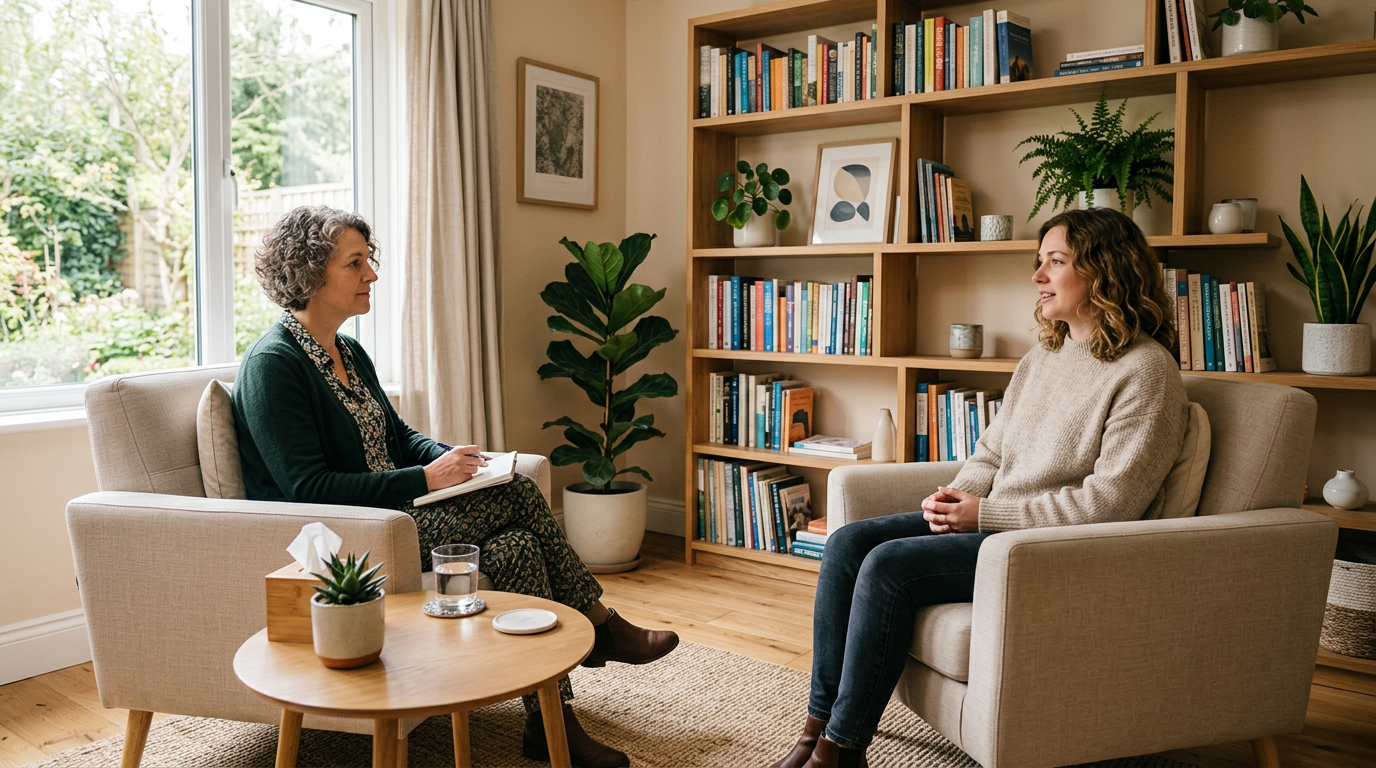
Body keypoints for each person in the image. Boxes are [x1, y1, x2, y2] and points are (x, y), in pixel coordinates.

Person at [232, 205, 677, 768]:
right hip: (349, 540)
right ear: (310, 273)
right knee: (517, 493)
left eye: (368, 260)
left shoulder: (348, 351)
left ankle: (551, 725)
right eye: (355, 263)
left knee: (517, 546)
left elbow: (397, 435)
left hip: (400, 514)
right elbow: (308, 488)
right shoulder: (273, 364)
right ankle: (599, 622)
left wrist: (452, 459)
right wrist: (426, 478)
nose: (371, 274)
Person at [770, 207, 1190, 768]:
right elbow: (992, 451)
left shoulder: (1147, 372)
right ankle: (816, 728)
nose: (1038, 276)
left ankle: (841, 750)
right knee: (847, 543)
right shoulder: (1044, 356)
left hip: (1047, 548)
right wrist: (955, 499)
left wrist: (985, 515)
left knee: (888, 567)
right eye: (1039, 261)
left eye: (1056, 262)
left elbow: (1111, 503)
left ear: (1105, 272)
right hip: (994, 528)